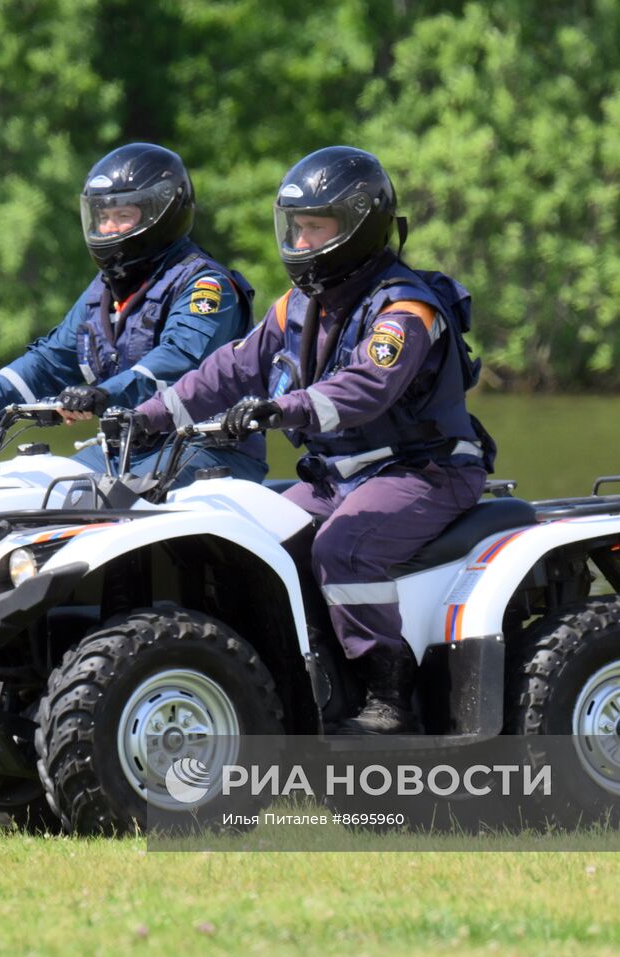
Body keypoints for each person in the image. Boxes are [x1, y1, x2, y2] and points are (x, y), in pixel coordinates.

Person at [130, 146, 496, 734]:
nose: (299, 242)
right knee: (254, 538)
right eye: (294, 228)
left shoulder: (405, 311)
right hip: (343, 476)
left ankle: (387, 696)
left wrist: (279, 409)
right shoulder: (299, 305)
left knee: (343, 550)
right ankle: (296, 683)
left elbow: (365, 390)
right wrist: (151, 414)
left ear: (357, 226)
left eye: (313, 228)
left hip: (424, 470)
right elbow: (230, 367)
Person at [0, 143, 266, 484]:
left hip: (206, 450)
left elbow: (176, 362)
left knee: (91, 501)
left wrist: (103, 395)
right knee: (28, 490)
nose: (110, 229)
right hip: (124, 447)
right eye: (103, 217)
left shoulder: (207, 286)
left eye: (123, 216)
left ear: (163, 213)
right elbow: (51, 361)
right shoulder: (104, 291)